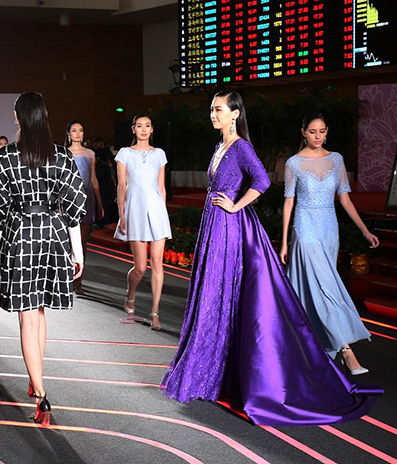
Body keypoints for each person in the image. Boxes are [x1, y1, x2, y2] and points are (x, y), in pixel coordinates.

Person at [161, 90, 382, 426]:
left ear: (235, 114)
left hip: (230, 228)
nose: (213, 114)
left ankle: (226, 375)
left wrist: (235, 205)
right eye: (211, 109)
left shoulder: (241, 147)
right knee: (212, 295)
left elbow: (262, 180)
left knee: (223, 294)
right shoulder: (220, 146)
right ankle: (210, 374)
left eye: (218, 109)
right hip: (214, 226)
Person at [0, 91, 87, 426]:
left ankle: (41, 394)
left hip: (20, 235)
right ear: (44, 115)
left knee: (28, 316)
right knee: (38, 313)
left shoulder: (4, 157)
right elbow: (74, 207)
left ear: (17, 117)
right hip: (53, 234)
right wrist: (77, 251)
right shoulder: (62, 156)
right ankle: (35, 377)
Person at [280, 112, 379, 375]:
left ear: (327, 132)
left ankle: (313, 346)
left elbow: (345, 199)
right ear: (303, 132)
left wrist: (364, 231)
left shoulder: (337, 160)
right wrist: (285, 242)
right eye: (312, 131)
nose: (318, 136)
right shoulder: (293, 163)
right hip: (305, 228)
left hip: (329, 229)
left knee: (323, 287)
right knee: (326, 287)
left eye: (322, 131)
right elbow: (289, 202)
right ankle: (347, 351)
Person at [113, 114, 171, 330]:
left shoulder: (159, 154)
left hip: (157, 210)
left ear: (152, 129)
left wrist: (163, 213)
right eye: (139, 126)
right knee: (140, 268)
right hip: (134, 209)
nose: (144, 129)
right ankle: (131, 294)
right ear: (133, 129)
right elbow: (121, 186)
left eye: (147, 126)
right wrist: (122, 214)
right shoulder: (125, 153)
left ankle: (155, 312)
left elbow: (161, 186)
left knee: (157, 263)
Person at [65, 121, 104, 294]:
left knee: (82, 241)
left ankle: (78, 280)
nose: (78, 133)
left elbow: (93, 178)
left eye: (80, 130)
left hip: (87, 198)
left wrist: (100, 203)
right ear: (68, 134)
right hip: (69, 198)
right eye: (74, 130)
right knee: (68, 241)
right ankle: (67, 278)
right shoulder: (64, 154)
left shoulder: (90, 154)